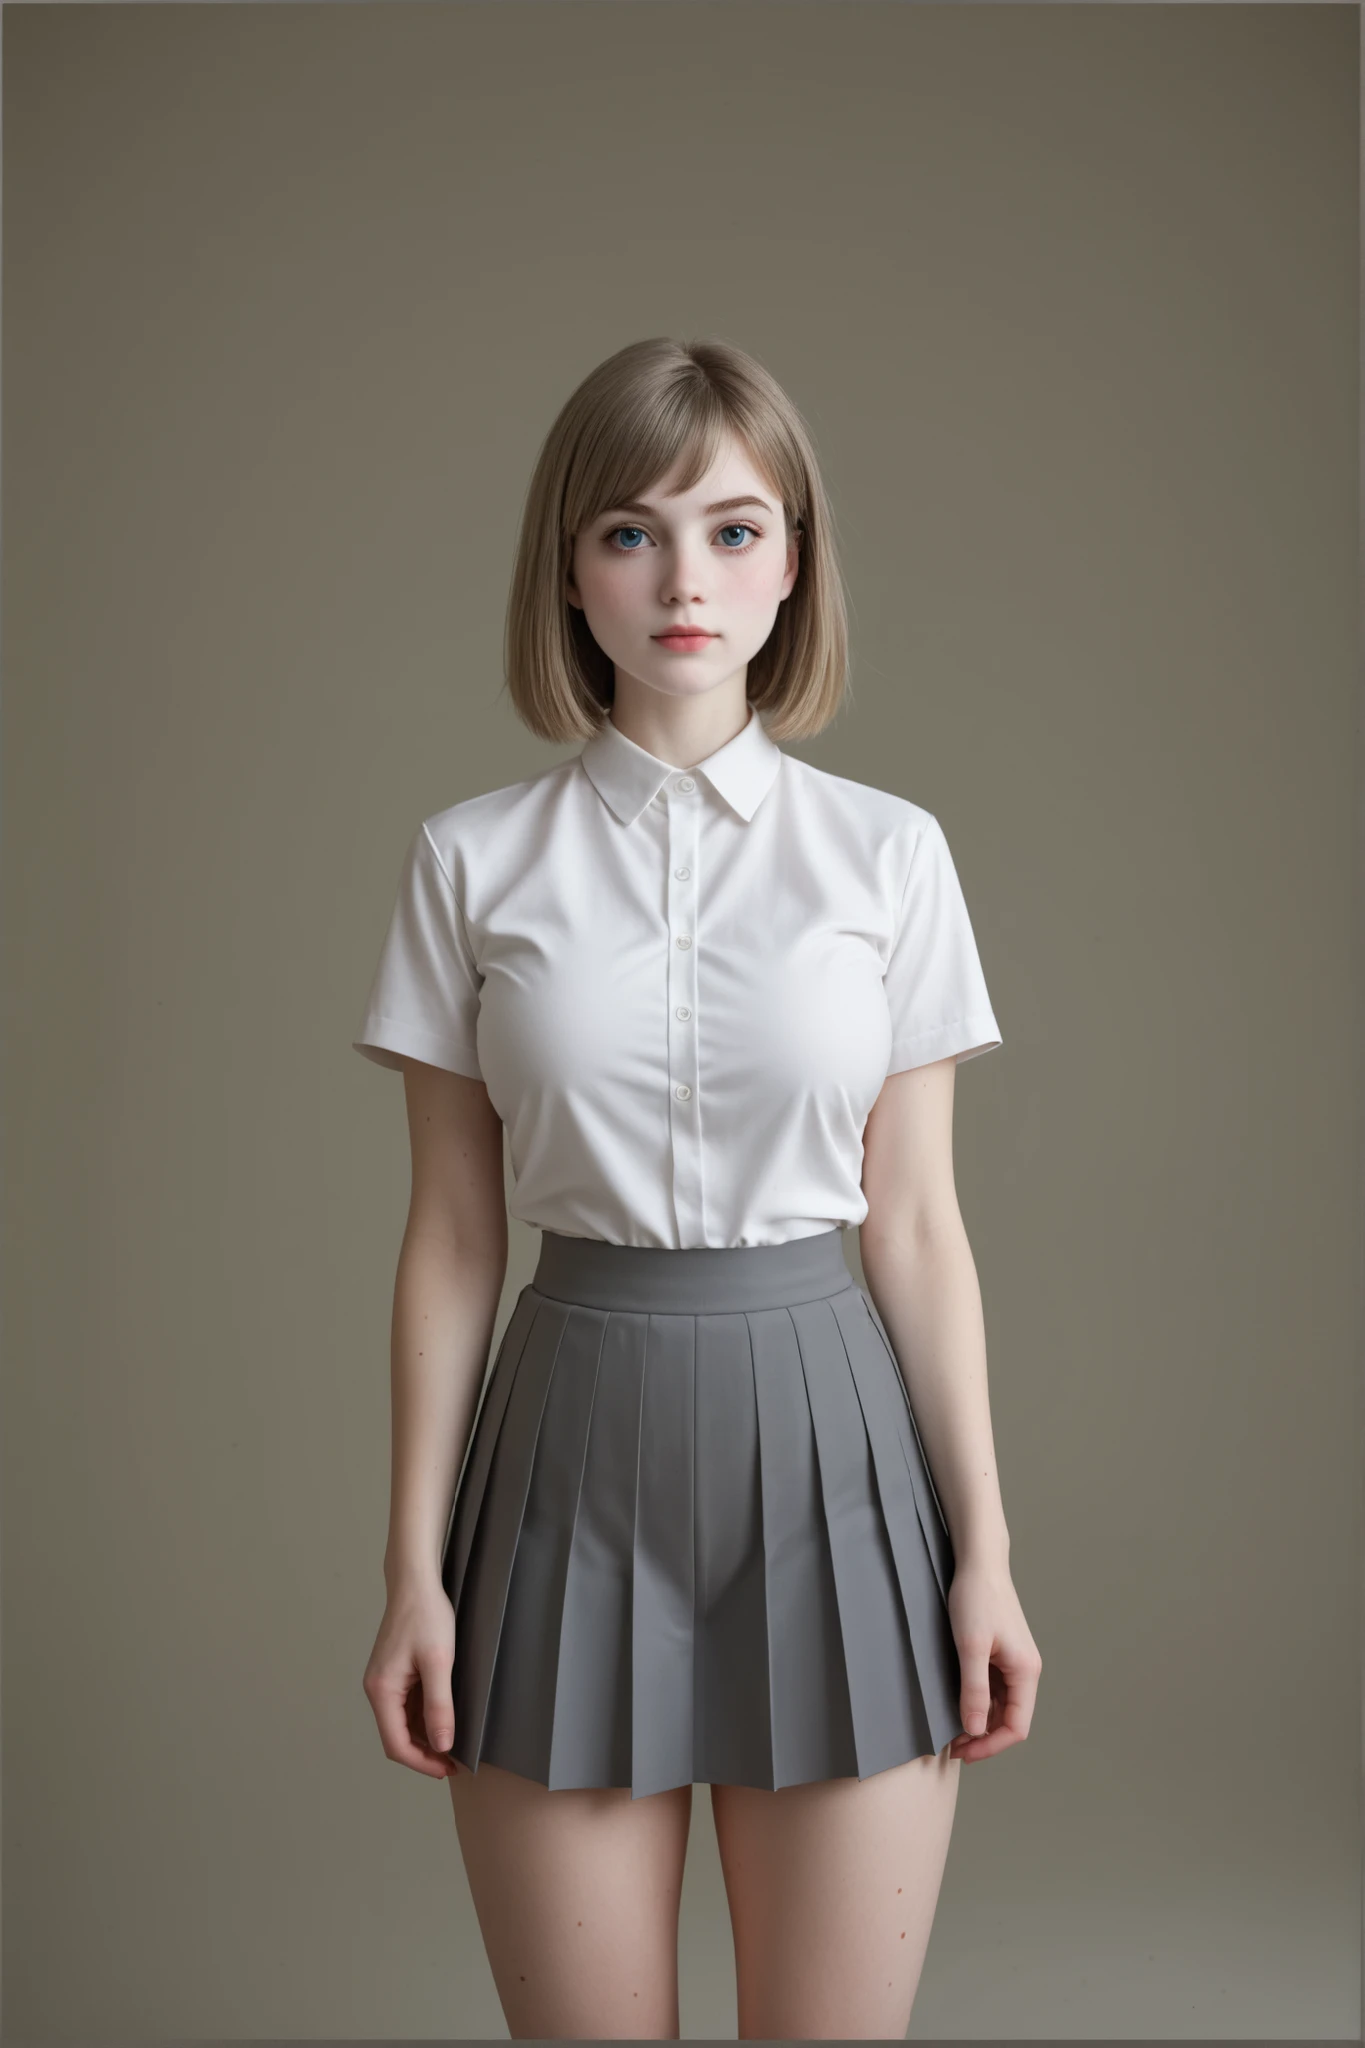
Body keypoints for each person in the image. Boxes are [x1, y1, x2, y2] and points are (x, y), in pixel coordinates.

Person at [352, 335, 1042, 2041]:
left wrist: (989, 1554)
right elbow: (450, 1239)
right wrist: (410, 1573)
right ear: (569, 573)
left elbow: (921, 1226)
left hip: (839, 1466)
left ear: (794, 563)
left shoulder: (890, 856)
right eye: (632, 532)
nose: (686, 579)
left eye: (736, 530)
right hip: (562, 1461)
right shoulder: (469, 860)